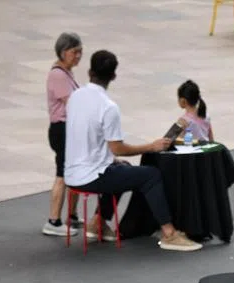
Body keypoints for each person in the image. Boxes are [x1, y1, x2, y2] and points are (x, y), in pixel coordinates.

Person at [64, 50, 202, 252]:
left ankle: (98, 222)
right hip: (91, 175)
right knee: (151, 175)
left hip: (71, 172)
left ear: (90, 71)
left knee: (123, 168)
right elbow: (117, 147)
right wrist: (151, 146)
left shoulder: (75, 97)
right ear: (113, 76)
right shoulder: (108, 106)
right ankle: (169, 233)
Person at [43, 32, 83, 237]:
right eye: (74, 52)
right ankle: (53, 220)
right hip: (62, 129)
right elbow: (72, 104)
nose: (78, 56)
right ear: (63, 51)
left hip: (68, 128)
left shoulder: (67, 73)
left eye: (80, 52)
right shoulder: (58, 74)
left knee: (72, 171)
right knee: (62, 173)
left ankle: (72, 215)